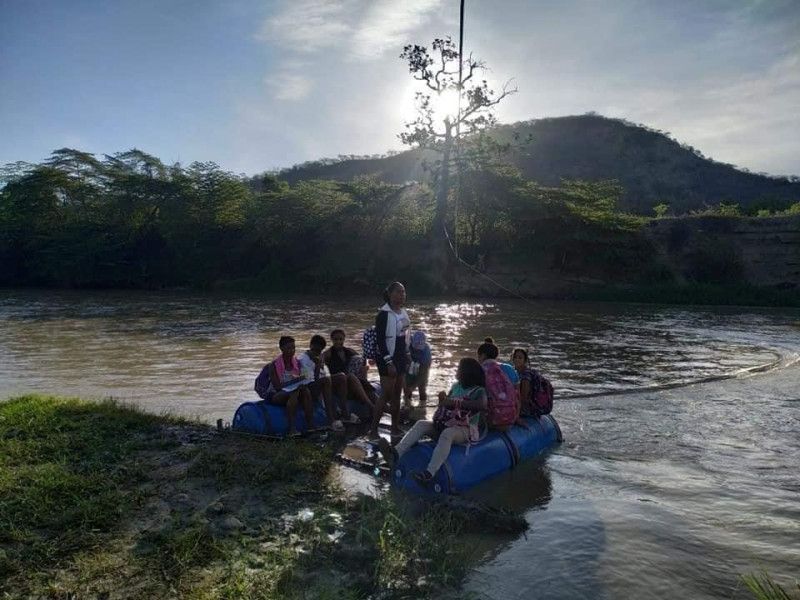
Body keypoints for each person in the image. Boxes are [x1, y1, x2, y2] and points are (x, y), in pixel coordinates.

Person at [377, 357, 488, 486]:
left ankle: (429, 473)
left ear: (467, 373)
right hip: (447, 424)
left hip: (466, 429)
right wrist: (443, 401)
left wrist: (454, 402)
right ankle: (395, 453)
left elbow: (482, 405)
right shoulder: (456, 386)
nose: (457, 371)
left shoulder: (479, 391)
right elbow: (446, 408)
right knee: (421, 424)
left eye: (459, 369)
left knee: (448, 434)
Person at [370, 281, 410, 438]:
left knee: (397, 393)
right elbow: (380, 341)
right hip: (387, 357)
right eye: (399, 292)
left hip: (400, 355)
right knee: (386, 393)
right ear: (390, 294)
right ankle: (373, 430)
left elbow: (405, 335)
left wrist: (407, 354)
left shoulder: (403, 312)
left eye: (404, 292)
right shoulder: (383, 314)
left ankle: (395, 427)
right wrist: (388, 362)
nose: (402, 295)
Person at [254, 336, 314, 437]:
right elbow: (278, 387)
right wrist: (295, 383)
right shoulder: (274, 365)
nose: (292, 351)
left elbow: (304, 378)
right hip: (276, 395)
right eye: (289, 348)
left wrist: (303, 381)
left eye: (293, 348)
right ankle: (291, 429)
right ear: (281, 349)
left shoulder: (297, 363)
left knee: (306, 391)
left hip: (293, 391)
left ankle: (310, 425)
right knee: (294, 392)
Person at [297, 334, 355, 432]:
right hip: (308, 387)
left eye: (319, 351)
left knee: (341, 376)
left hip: (319, 382)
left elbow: (324, 374)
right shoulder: (303, 360)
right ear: (310, 346)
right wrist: (318, 365)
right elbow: (309, 380)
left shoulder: (319, 357)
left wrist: (320, 365)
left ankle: (345, 413)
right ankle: (331, 419)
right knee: (326, 380)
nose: (316, 353)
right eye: (314, 350)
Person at [322, 328, 378, 413]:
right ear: (332, 340)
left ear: (344, 339)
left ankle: (393, 412)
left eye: (340, 339)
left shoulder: (350, 351)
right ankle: (371, 407)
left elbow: (363, 362)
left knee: (369, 391)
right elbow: (321, 369)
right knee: (350, 377)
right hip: (339, 385)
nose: (338, 342)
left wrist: (364, 374)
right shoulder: (328, 354)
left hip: (352, 383)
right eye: (335, 339)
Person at [512, 347, 553, 417]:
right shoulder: (517, 373)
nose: (517, 359)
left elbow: (524, 398)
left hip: (531, 408)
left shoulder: (526, 375)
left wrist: (516, 414)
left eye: (520, 358)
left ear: (525, 360)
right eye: (515, 357)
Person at [403, 330, 432, 408]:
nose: (417, 350)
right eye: (415, 348)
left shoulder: (426, 351)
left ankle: (423, 407)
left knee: (422, 388)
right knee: (407, 388)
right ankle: (407, 405)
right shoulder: (407, 344)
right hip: (409, 366)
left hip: (422, 367)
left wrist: (413, 387)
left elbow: (423, 374)